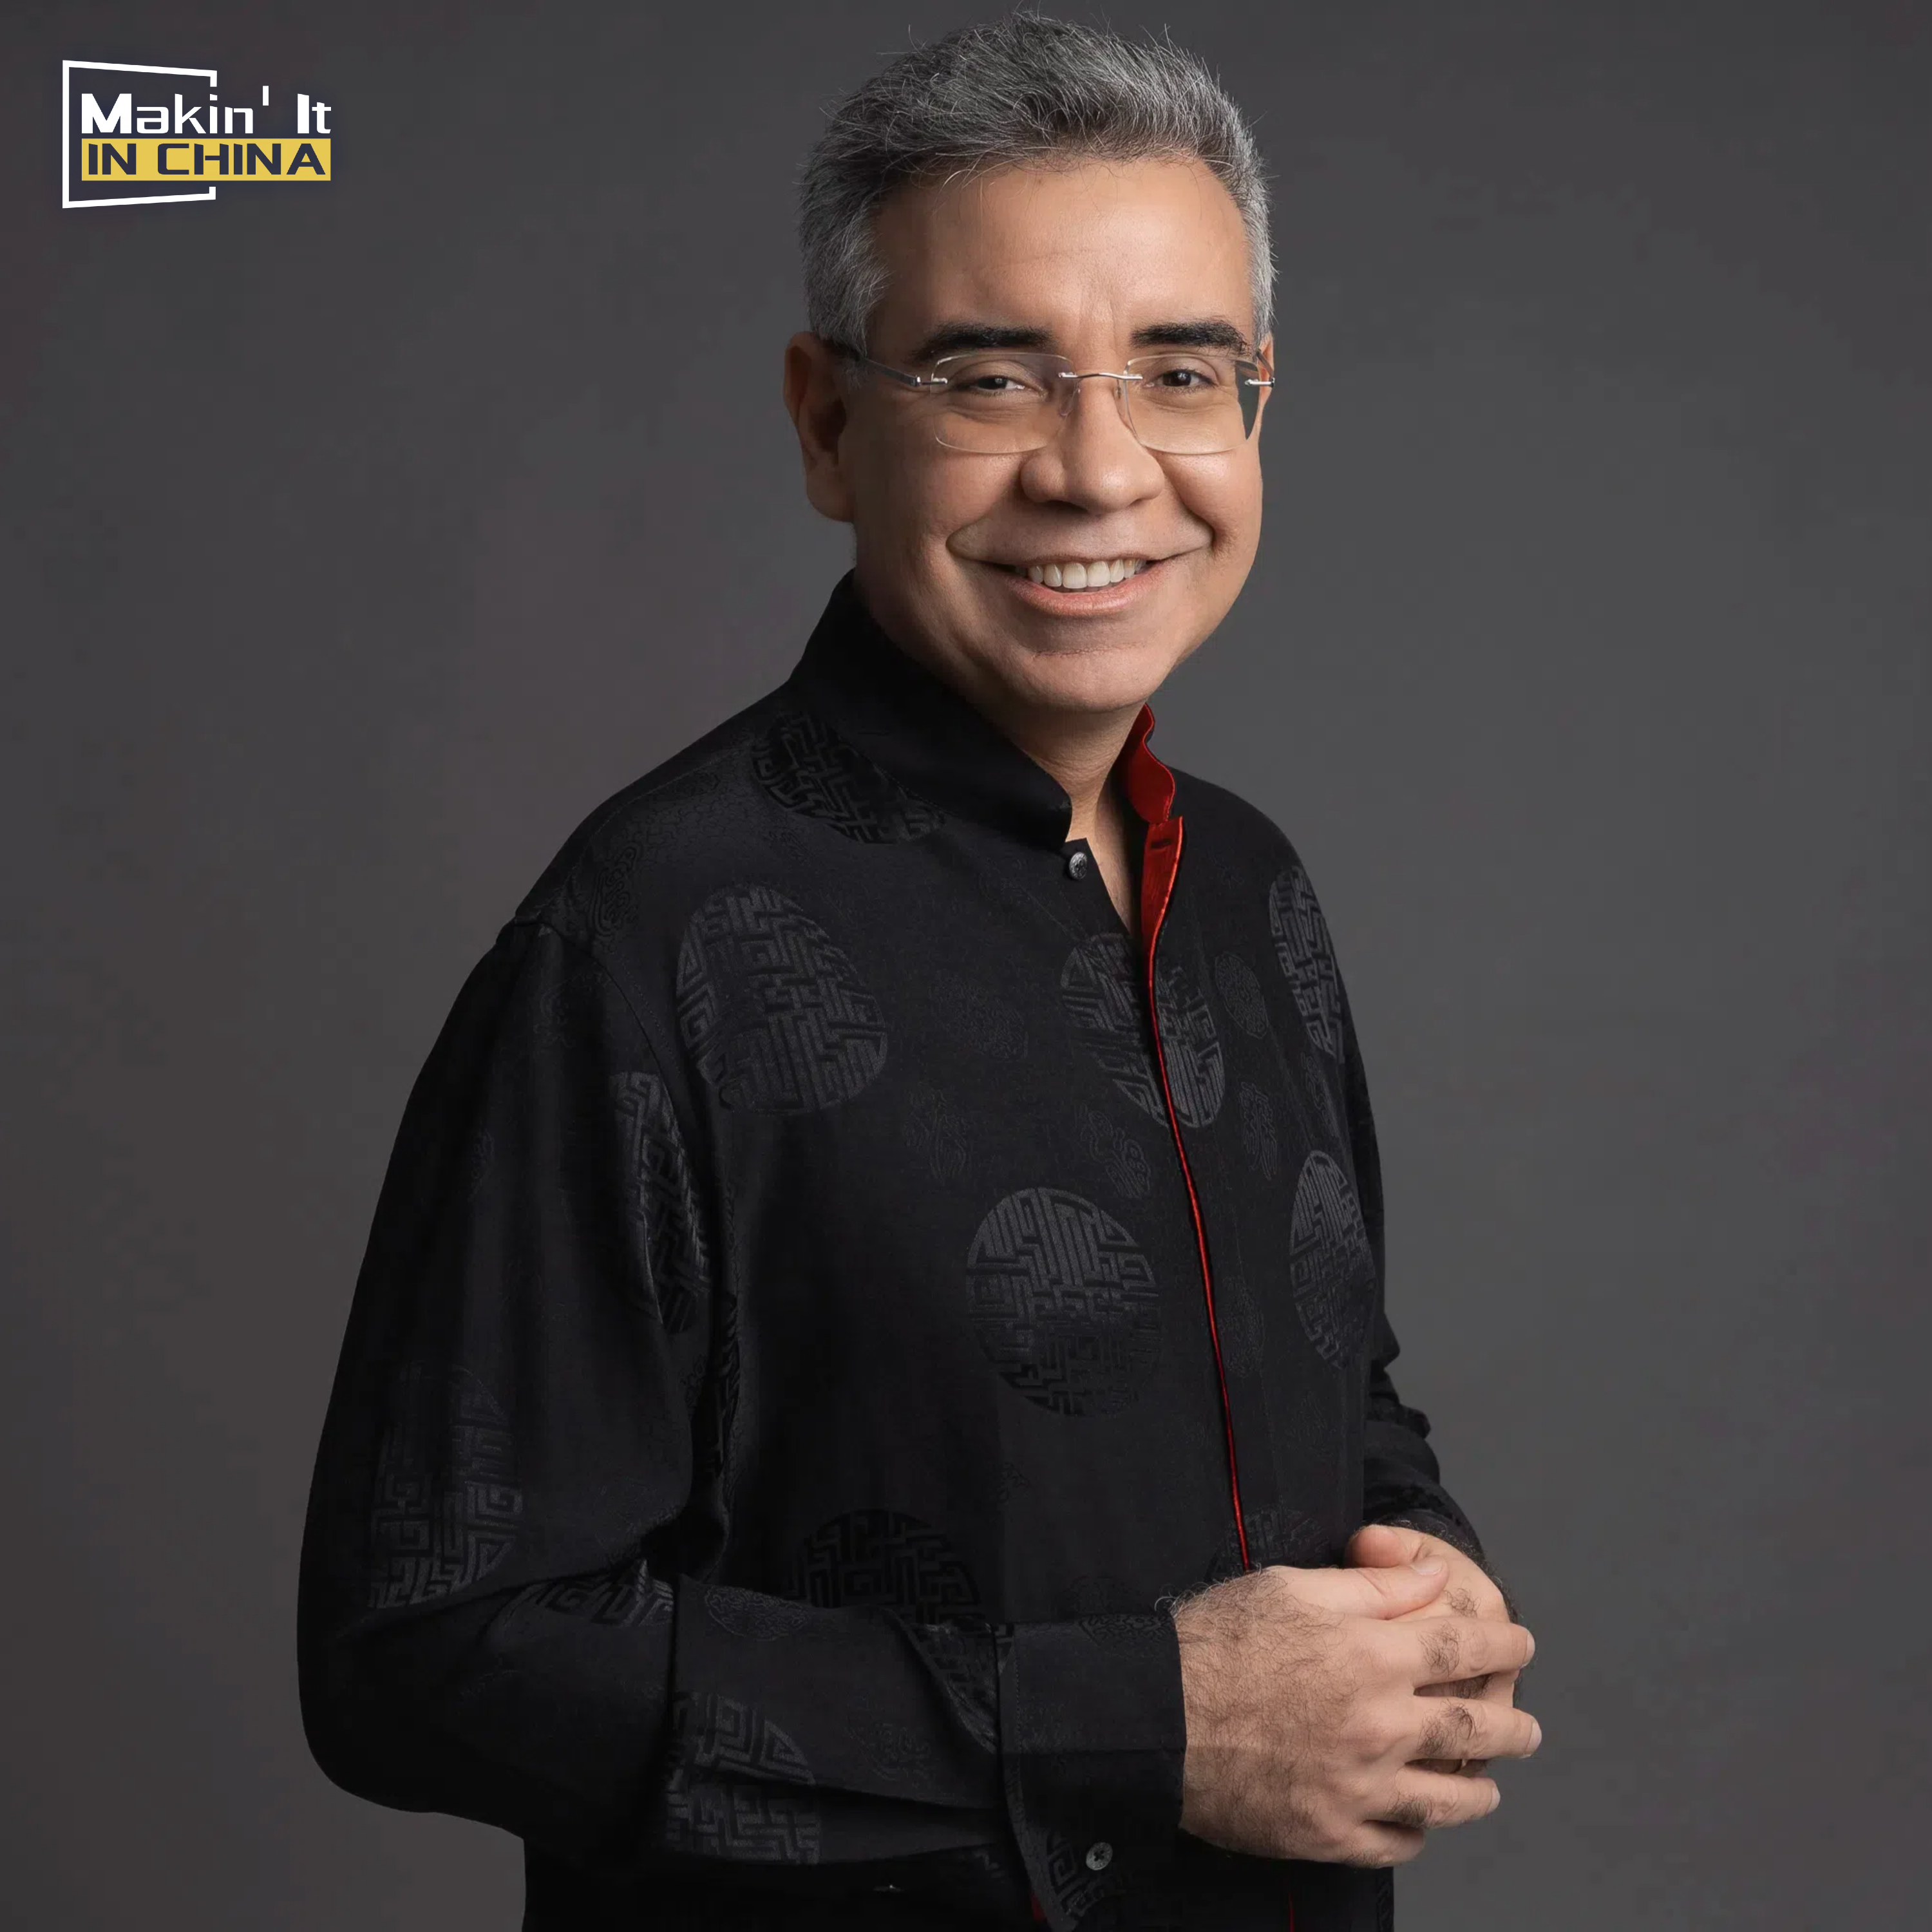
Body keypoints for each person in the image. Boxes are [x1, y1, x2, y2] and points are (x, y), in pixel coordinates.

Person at [299, 17, 1539, 1930]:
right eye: (991, 376)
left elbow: (1333, 1388)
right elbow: (428, 1655)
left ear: (1255, 411)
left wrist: (1416, 1565)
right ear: (826, 424)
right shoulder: (643, 939)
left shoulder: (1252, 891)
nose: (1100, 470)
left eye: (1180, 373)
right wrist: (1147, 1722)